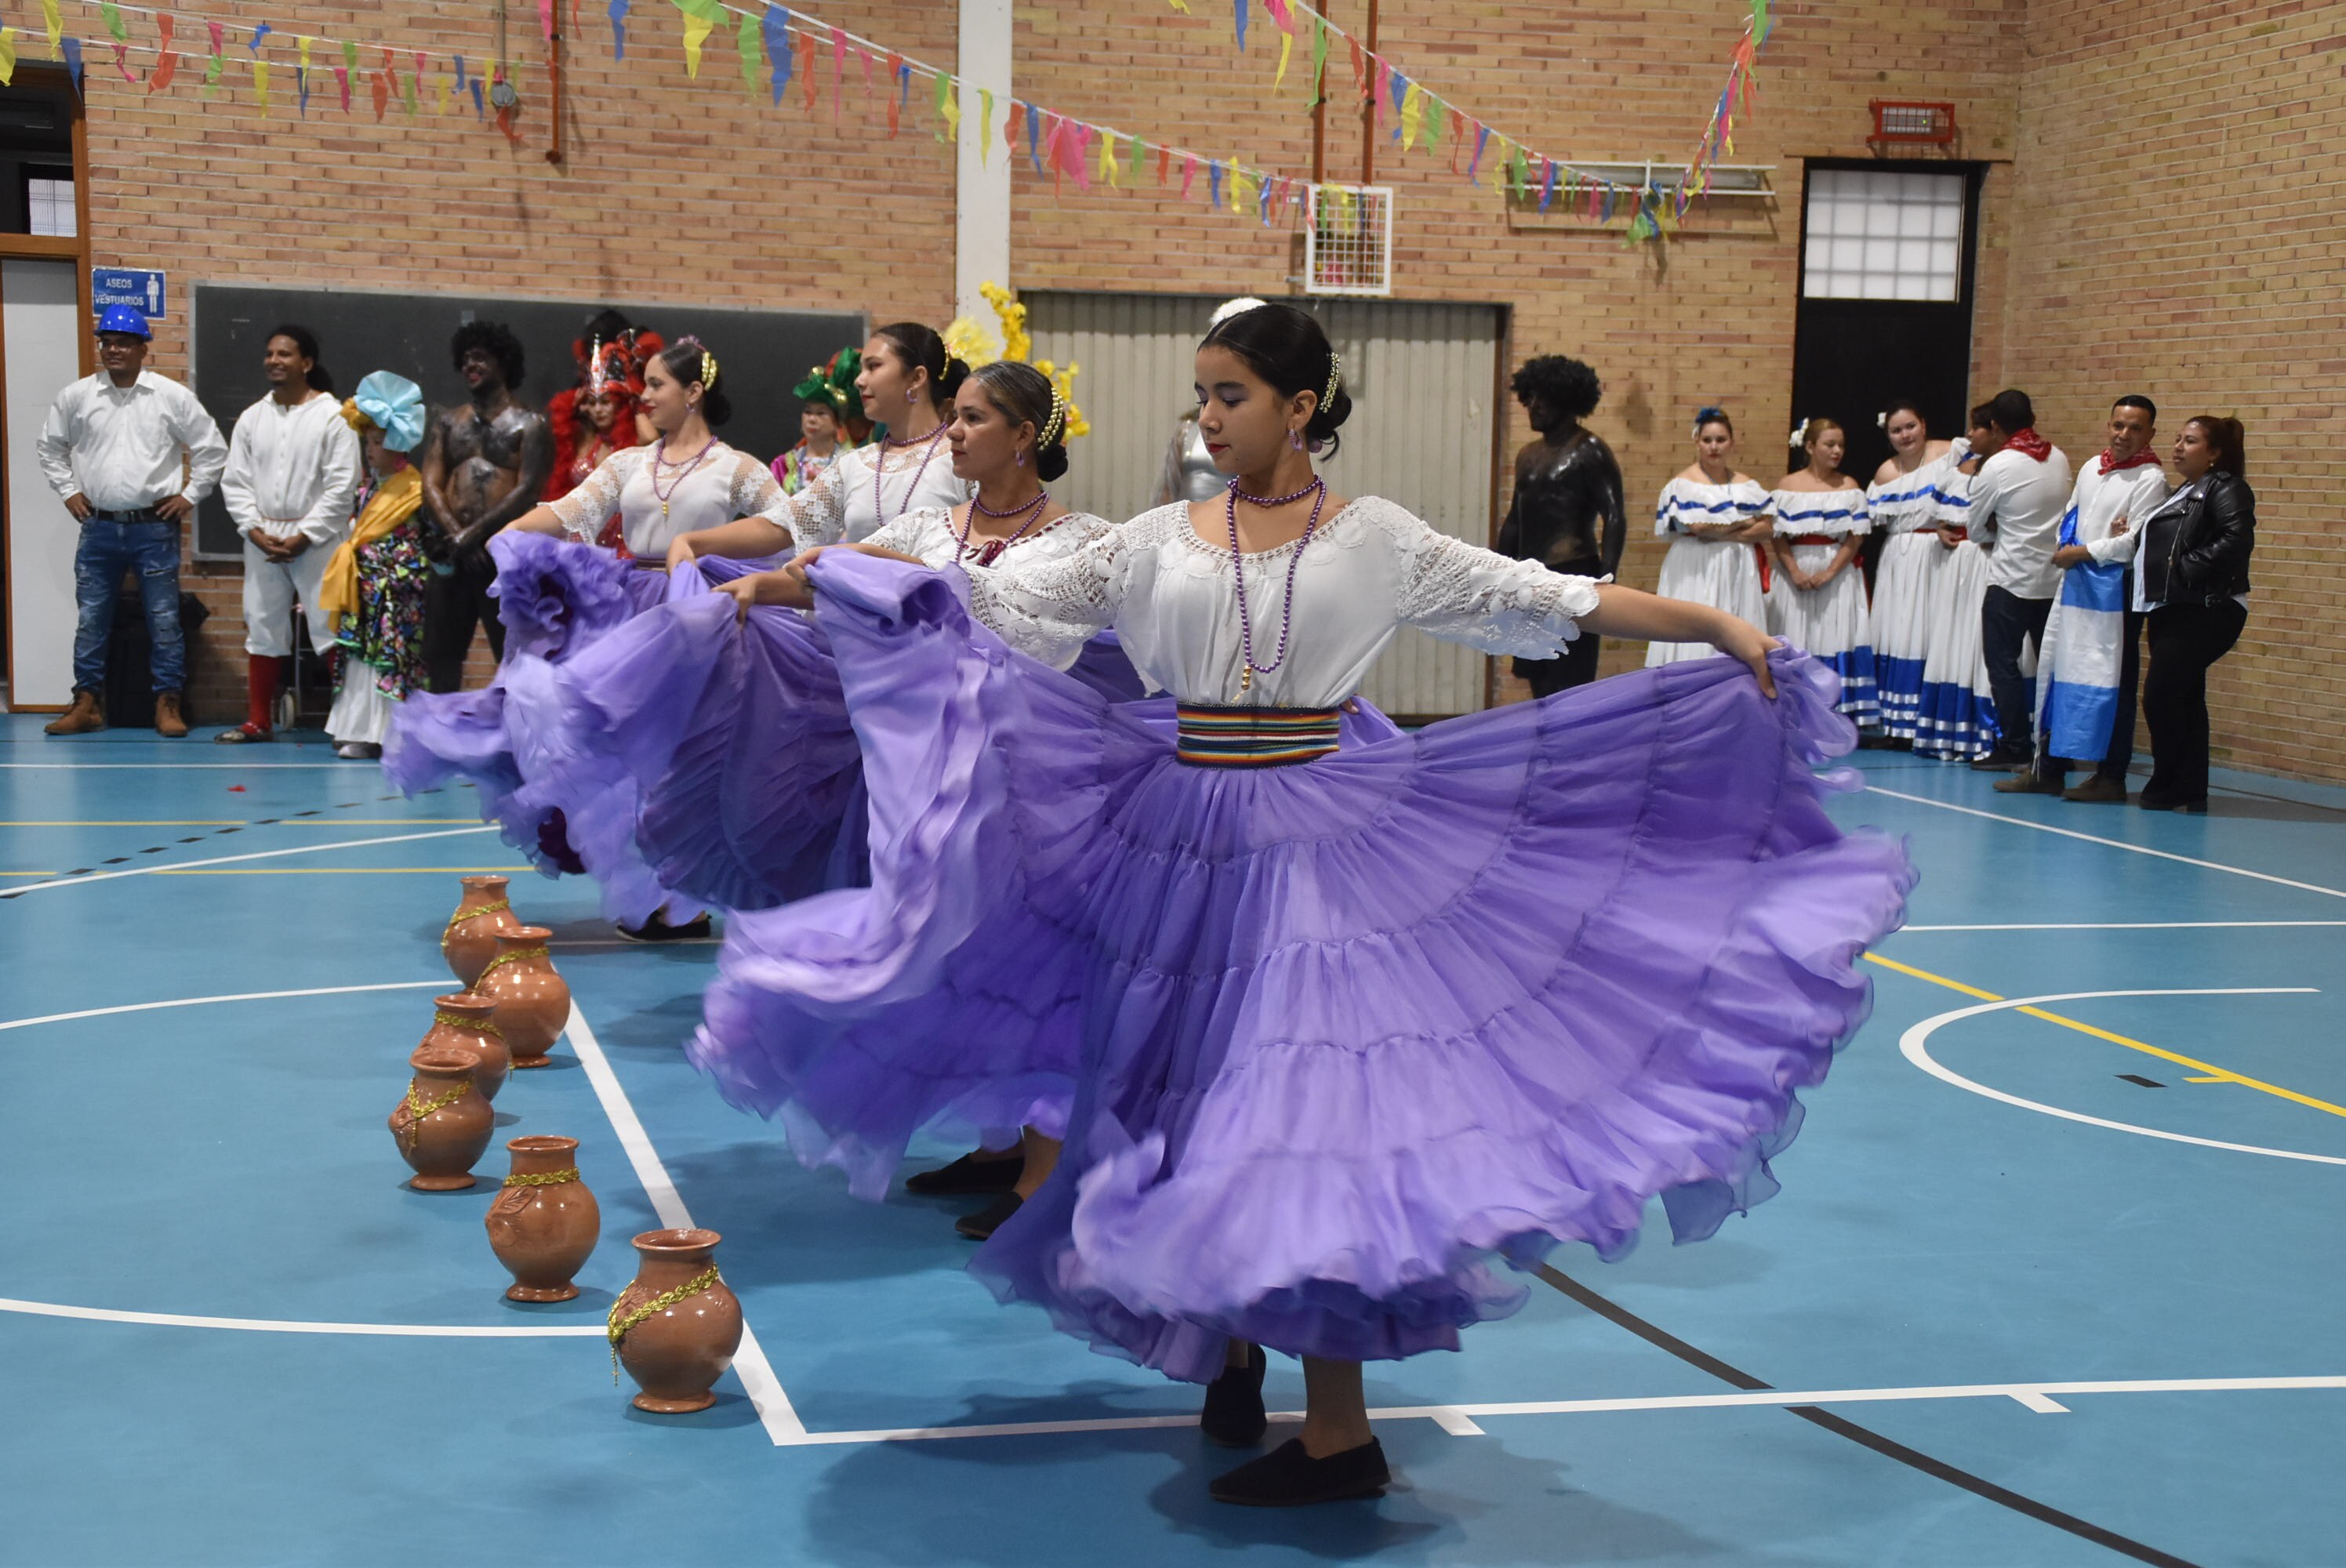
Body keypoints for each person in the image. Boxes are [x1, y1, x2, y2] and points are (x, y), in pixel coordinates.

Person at [704, 303, 1910, 1507]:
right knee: (1172, 1097)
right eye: (1202, 395)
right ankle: (1224, 1339)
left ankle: (1339, 1430)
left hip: (1323, 840)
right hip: (1177, 843)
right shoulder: (1151, 542)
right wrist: (813, 585)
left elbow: (1548, 596)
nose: (1209, 418)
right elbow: (982, 597)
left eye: (1231, 395)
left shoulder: (1374, 539)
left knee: (1308, 1119)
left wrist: (1703, 621)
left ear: (1300, 405)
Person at [417, 336, 796, 941]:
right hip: (637, 610)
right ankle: (658, 898)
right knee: (636, 761)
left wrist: (701, 549)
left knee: (690, 761)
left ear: (693, 393)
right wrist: (512, 531)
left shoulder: (738, 468)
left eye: (655, 386)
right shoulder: (628, 464)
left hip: (704, 614)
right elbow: (571, 511)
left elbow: (782, 528)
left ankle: (690, 899)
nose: (641, 397)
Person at [36, 304, 227, 739]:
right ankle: (86, 703)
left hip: (153, 527)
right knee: (91, 619)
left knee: (163, 619)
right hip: (98, 527)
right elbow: (49, 446)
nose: (113, 349)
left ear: (144, 348)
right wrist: (68, 491)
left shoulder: (171, 396)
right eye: (107, 342)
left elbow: (211, 448)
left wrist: (190, 496)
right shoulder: (78, 396)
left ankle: (167, 703)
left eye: (123, 342)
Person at [663, 322, 972, 569]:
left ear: (916, 377)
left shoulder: (964, 459)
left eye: (873, 366)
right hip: (854, 630)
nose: (859, 381)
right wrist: (692, 542)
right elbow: (782, 526)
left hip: (935, 630)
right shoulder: (855, 465)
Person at [1997, 397, 2168, 801]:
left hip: (2115, 593)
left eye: (2135, 428)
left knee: (2113, 681)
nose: (2124, 435)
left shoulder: (2150, 478)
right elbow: (2070, 515)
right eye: (2118, 425)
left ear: (2150, 434)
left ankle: (2111, 776)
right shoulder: (2093, 467)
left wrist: (2086, 551)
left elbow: (2133, 544)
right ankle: (2049, 767)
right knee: (2058, 669)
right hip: (2076, 586)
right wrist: (2068, 545)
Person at [2085, 416, 2253, 812]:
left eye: (2191, 441)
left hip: (2206, 608)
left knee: (2161, 696)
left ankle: (2167, 781)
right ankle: (2190, 790)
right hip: (2172, 608)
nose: (2178, 447)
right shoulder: (2185, 491)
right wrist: (2139, 533)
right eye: (2178, 439)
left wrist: (2184, 567)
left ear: (2214, 454)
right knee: (2185, 698)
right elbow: (2174, 538)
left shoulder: (2228, 488)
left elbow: (2236, 540)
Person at [216, 325, 361, 743]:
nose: (274, 361)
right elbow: (235, 481)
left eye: (285, 354)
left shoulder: (334, 416)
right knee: (261, 625)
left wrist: (306, 534)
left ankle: (347, 725)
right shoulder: (252, 417)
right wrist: (253, 529)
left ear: (307, 363)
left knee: (330, 628)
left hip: (318, 540)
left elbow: (342, 485)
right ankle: (259, 721)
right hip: (262, 538)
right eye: (270, 354)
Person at [419, 321, 553, 694]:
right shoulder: (448, 421)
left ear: (503, 361)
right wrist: (455, 536)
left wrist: (476, 536)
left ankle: (517, 734)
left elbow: (528, 489)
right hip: (453, 555)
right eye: (464, 360)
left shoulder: (532, 424)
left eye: (479, 358)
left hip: (503, 556)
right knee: (440, 653)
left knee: (511, 652)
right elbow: (430, 481)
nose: (470, 366)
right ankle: (442, 735)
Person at [1495, 354, 1626, 695]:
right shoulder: (1528, 454)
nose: (1533, 406)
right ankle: (1542, 746)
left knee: (1570, 678)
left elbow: (1614, 515)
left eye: (1544, 398)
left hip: (1575, 574)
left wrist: (1607, 578)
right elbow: (1515, 521)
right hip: (1531, 578)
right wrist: (1496, 569)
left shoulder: (1590, 449)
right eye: (1530, 397)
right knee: (1536, 673)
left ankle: (1575, 748)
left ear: (1568, 400)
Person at [318, 373, 431, 761]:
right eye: (368, 442)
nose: (370, 450)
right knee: (358, 660)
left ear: (398, 445)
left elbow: (416, 544)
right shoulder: (368, 487)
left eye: (379, 443)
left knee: (389, 659)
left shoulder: (413, 488)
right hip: (365, 591)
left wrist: (391, 572)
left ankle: (389, 733)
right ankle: (355, 728)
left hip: (393, 593)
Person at [1966, 389, 2074, 771]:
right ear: (2033, 418)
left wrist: (2001, 529)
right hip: (2054, 580)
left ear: (1995, 426)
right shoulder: (2059, 458)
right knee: (2052, 668)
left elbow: (1976, 530)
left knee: (2004, 666)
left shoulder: (1998, 465)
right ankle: (2055, 748)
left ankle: (2014, 746)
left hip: (2010, 579)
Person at [1767, 418, 1876, 724]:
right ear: (1811, 446)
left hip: (1836, 573)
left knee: (1833, 635)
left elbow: (1856, 537)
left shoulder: (1849, 487)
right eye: (1830, 444)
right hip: (1795, 574)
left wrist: (1829, 572)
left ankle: (1834, 712)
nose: (1837, 451)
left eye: (1841, 445)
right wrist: (1795, 572)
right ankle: (1791, 709)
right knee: (1797, 635)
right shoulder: (1787, 487)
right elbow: (1777, 536)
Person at [1645, 406, 1771, 666]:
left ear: (1732, 443)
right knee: (1695, 621)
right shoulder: (1683, 485)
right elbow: (1699, 529)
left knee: (1736, 622)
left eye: (1721, 440)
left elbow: (1768, 527)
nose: (1714, 447)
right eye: (1707, 440)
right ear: (1697, 442)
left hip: (1736, 566)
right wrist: (1743, 524)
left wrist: (1722, 532)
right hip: (1696, 564)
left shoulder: (1745, 484)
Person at [1865, 403, 1959, 746]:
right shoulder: (1885, 473)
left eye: (1910, 427)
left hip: (1937, 552)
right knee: (1900, 629)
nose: (1905, 435)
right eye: (1896, 430)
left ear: (1923, 424)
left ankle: (1932, 715)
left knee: (1932, 629)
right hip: (1899, 558)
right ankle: (1897, 721)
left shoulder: (1950, 452)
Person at [1913, 408, 1999, 760]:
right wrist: (1942, 529)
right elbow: (1934, 515)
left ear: (1995, 431)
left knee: (1979, 643)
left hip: (1987, 561)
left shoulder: (2005, 470)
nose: (1970, 434)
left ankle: (1987, 731)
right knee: (1953, 641)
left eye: (1977, 427)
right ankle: (1949, 728)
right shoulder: (1956, 472)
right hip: (1955, 567)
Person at [1157, 298, 1269, 506]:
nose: (1207, 420)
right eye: (1203, 399)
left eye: (1231, 400)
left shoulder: (1275, 433)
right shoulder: (1188, 429)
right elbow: (1168, 490)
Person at [544, 336, 648, 550]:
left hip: (624, 546)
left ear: (620, 404)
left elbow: (651, 437)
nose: (598, 410)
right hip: (582, 543)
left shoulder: (635, 443)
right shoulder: (584, 440)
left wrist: (635, 401)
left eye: (606, 402)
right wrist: (572, 408)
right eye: (592, 403)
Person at [773, 350, 867, 494]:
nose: (812, 419)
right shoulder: (784, 465)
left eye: (821, 413)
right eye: (808, 412)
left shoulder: (851, 463)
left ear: (838, 422)